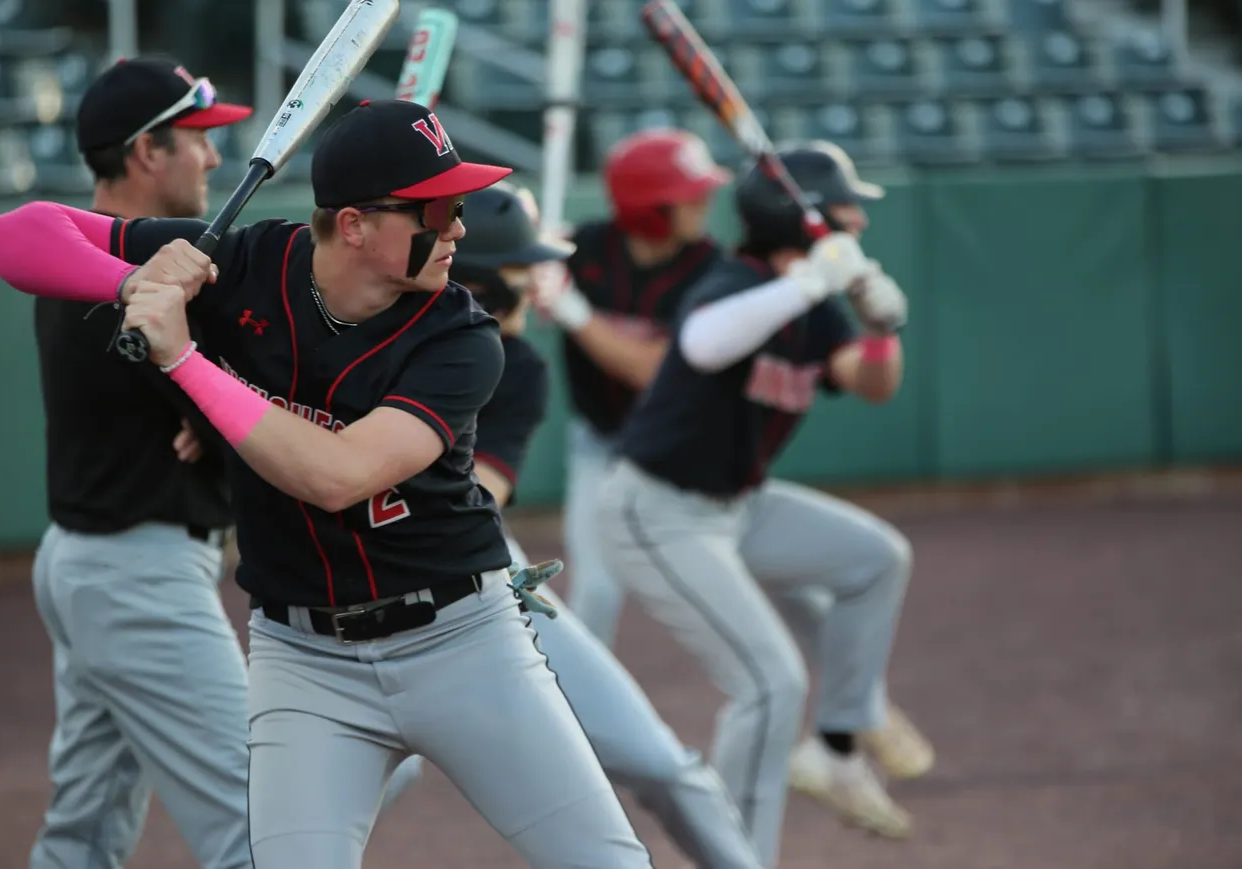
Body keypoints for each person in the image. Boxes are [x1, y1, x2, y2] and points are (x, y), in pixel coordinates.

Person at [0, 99, 653, 869]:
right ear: (356, 226)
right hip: (305, 660)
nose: (459, 227)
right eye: (438, 208)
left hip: (460, 641)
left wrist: (186, 359)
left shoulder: (462, 336)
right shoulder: (250, 259)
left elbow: (336, 476)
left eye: (459, 205)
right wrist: (133, 281)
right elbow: (10, 234)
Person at [378, 181, 764, 869]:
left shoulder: (515, 366)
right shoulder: (351, 341)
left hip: (482, 578)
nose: (539, 283)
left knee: (657, 760)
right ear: (488, 286)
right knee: (343, 778)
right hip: (341, 602)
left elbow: (475, 503)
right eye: (525, 269)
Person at [593, 141, 927, 862]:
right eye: (846, 209)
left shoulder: (816, 303)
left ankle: (838, 746)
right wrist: (809, 283)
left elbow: (872, 385)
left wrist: (877, 327)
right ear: (800, 219)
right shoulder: (734, 281)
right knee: (769, 682)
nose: (858, 224)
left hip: (736, 507)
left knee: (875, 558)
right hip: (656, 511)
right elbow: (707, 343)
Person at [25, 56, 254, 869]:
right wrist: (221, 406)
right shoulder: (112, 271)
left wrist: (216, 408)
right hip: (136, 573)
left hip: (97, 562)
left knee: (84, 834)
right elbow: (250, 424)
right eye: (197, 140)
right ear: (147, 152)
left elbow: (223, 414)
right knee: (265, 826)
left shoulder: (79, 257)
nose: (216, 158)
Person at [530, 127, 728, 650]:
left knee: (755, 575)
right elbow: (503, 297)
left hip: (689, 455)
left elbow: (654, 372)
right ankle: (578, 721)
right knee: (594, 591)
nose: (705, 200)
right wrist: (528, 263)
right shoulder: (585, 247)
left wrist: (573, 310)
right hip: (601, 444)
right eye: (690, 193)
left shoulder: (712, 270)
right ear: (649, 206)